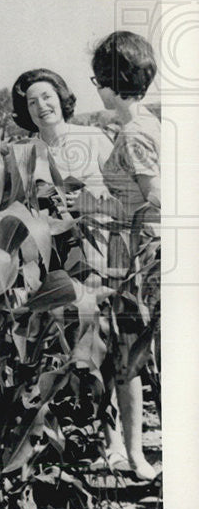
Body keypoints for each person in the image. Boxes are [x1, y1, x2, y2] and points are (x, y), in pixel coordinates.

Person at [91, 31, 161, 481]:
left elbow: (154, 200)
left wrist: (93, 205)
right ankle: (136, 455)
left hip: (140, 257)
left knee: (129, 357)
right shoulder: (151, 123)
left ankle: (137, 458)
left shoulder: (134, 133)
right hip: (140, 254)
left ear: (108, 82)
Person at [10, 68, 113, 201]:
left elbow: (125, 190)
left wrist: (97, 197)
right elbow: (19, 203)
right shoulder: (23, 154)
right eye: (32, 102)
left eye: (46, 97)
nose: (41, 106)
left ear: (60, 98)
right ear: (26, 111)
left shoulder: (94, 137)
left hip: (99, 219)